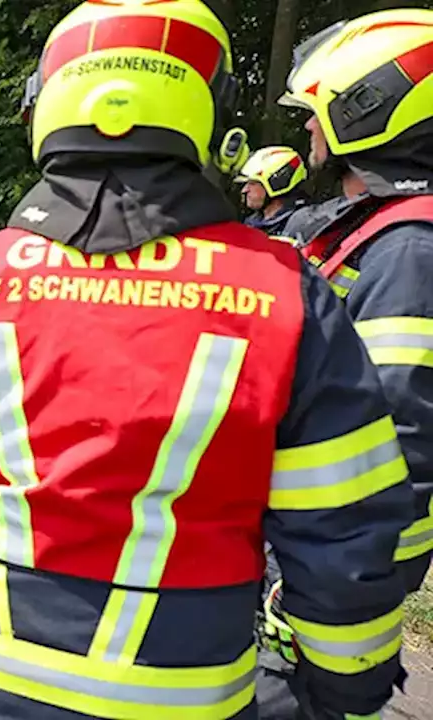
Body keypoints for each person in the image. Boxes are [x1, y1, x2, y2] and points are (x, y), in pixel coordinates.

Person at [0, 2, 414, 720]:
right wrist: (346, 691)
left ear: (49, 102)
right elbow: (342, 528)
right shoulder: (285, 295)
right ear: (201, 112)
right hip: (185, 692)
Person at [251, 10, 433, 717]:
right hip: (309, 564)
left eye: (317, 110)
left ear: (372, 104)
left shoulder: (411, 255)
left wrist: (307, 593)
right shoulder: (369, 232)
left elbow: (395, 445)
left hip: (320, 588)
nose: (307, 128)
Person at [233, 146, 312, 237]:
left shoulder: (303, 225)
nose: (244, 190)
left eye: (252, 183)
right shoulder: (250, 224)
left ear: (277, 183)